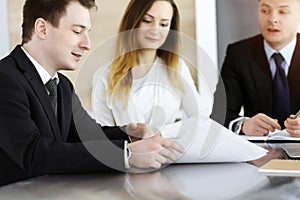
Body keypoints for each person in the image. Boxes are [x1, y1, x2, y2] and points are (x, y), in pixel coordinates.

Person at [0, 0, 184, 186]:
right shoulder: (5, 78)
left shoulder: (62, 85)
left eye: (87, 33)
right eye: (77, 31)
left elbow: (86, 135)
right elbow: (33, 154)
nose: (87, 44)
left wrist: (128, 134)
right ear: (42, 28)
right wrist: (126, 154)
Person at [92, 0, 204, 139]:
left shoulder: (177, 68)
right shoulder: (104, 75)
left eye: (163, 24)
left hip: (169, 155)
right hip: (128, 158)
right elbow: (104, 136)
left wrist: (161, 132)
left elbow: (201, 119)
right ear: (133, 22)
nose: (155, 30)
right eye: (147, 20)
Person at [211, 0, 300, 137]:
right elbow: (218, 116)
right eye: (265, 11)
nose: (272, 19)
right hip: (258, 152)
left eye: (283, 11)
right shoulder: (239, 54)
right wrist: (242, 125)